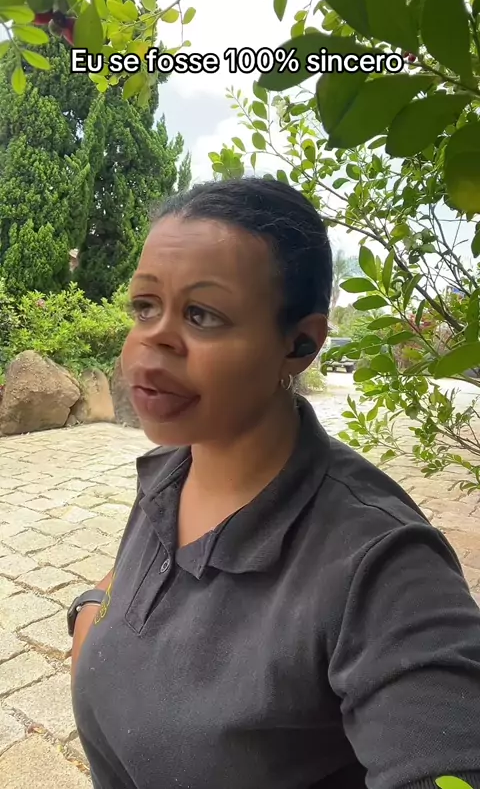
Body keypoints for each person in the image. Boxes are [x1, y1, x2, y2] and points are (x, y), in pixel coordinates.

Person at [68, 178, 480, 789]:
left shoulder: (379, 566)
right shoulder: (173, 467)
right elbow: (132, 578)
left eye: (202, 314)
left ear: (300, 343)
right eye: (145, 306)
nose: (154, 337)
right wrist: (90, 611)